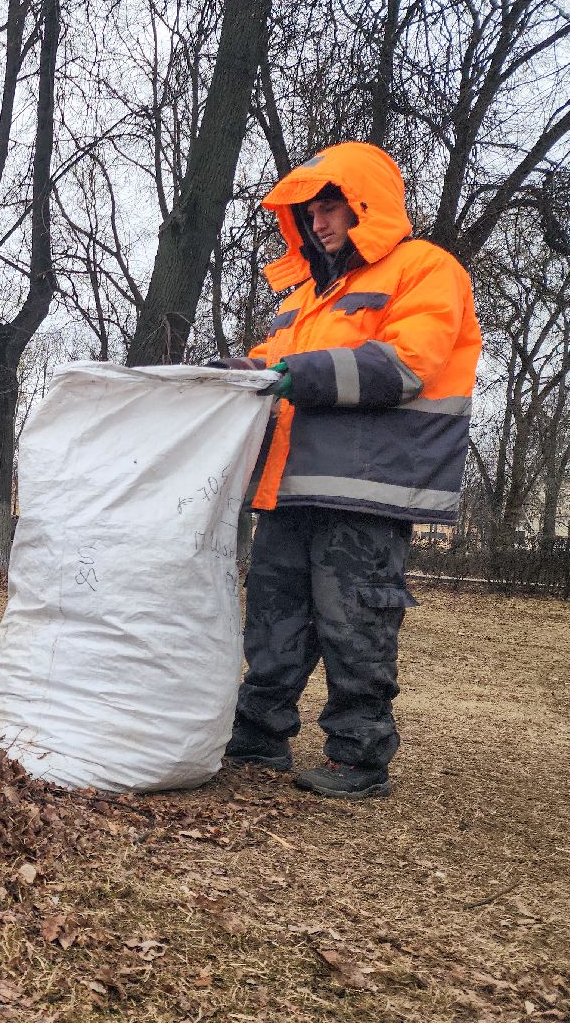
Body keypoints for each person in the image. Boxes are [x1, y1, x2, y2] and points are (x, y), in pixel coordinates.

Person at [215, 141, 481, 799]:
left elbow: (402, 366)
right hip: (290, 487)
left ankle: (358, 757)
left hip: (366, 489)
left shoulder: (424, 269)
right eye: (308, 214)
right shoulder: (309, 295)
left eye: (329, 207)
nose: (317, 223)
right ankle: (257, 737)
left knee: (354, 621)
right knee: (273, 619)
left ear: (365, 205)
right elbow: (274, 364)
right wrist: (238, 375)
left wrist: (283, 375)